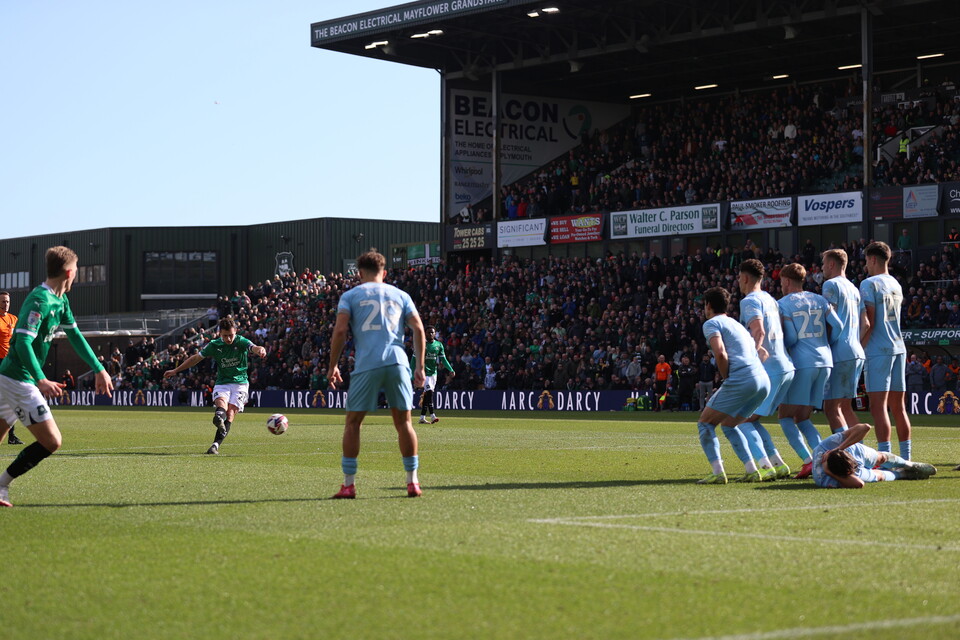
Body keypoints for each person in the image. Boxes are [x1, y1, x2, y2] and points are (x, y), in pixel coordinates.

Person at [0, 246, 114, 507]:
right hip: (19, 378)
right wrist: (40, 378)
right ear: (69, 272)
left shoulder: (60, 300)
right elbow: (22, 343)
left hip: (10, 376)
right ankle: (2, 484)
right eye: (76, 272)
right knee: (52, 441)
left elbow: (74, 335)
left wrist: (99, 368)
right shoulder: (40, 300)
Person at [328, 250, 426, 499]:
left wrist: (332, 366)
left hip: (367, 364)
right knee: (404, 423)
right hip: (397, 362)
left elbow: (340, 331)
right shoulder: (400, 294)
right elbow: (419, 328)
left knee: (353, 423)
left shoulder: (350, 295)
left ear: (360, 273)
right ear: (384, 272)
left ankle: (349, 485)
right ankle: (412, 482)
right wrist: (420, 367)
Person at [695, 287, 772, 484]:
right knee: (729, 424)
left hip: (742, 378)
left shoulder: (712, 323)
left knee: (705, 423)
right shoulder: (737, 325)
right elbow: (761, 353)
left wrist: (726, 376)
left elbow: (720, 353)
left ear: (708, 305)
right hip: (763, 381)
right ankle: (752, 470)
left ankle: (718, 472)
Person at [163, 317, 267, 454]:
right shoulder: (214, 345)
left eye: (231, 335)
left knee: (230, 414)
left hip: (240, 384)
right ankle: (218, 417)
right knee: (222, 405)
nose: (229, 339)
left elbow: (253, 347)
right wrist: (176, 370)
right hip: (223, 382)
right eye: (225, 336)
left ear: (235, 331)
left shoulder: (241, 341)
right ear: (220, 334)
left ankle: (215, 445)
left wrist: (261, 349)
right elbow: (195, 359)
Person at [778, 263, 842, 478]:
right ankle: (822, 457)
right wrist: (825, 344)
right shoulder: (820, 299)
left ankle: (808, 460)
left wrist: (783, 349)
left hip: (803, 363)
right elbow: (839, 326)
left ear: (786, 281)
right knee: (803, 418)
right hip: (825, 361)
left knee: (785, 416)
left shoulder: (783, 304)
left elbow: (792, 338)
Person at [736, 259, 794, 480]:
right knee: (752, 419)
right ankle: (778, 464)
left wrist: (754, 355)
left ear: (746, 278)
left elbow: (758, 331)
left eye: (740, 278)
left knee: (739, 418)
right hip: (786, 366)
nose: (739, 282)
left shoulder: (749, 300)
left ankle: (765, 466)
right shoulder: (770, 299)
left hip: (769, 368)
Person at [859, 241, 911, 459]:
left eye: (866, 261)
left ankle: (885, 457)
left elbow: (869, 322)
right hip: (899, 346)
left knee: (878, 406)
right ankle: (906, 457)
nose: (865, 266)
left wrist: (859, 347)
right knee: (898, 407)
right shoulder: (895, 283)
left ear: (872, 259)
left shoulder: (869, 283)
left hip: (878, 349)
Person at [820, 249, 866, 435]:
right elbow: (866, 323)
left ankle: (847, 454)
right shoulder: (854, 288)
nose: (822, 267)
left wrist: (827, 344)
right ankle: (859, 452)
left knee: (831, 408)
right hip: (856, 351)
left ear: (831, 264)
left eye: (823, 263)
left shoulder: (830, 285)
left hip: (840, 352)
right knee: (846, 408)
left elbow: (831, 322)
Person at [813, 422, 935, 489]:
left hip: (852, 451)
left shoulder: (827, 445)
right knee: (879, 475)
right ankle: (903, 474)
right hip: (842, 466)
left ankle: (908, 464)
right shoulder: (825, 479)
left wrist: (839, 448)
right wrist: (830, 472)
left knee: (880, 457)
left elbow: (865, 427)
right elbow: (859, 484)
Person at [411, 325, 455, 424]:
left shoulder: (439, 345)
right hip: (423, 373)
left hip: (433, 373)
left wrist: (451, 369)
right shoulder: (420, 344)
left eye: (432, 332)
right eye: (429, 332)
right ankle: (432, 416)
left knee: (427, 395)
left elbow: (443, 360)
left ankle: (422, 418)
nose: (430, 334)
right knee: (429, 393)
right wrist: (412, 375)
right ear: (425, 334)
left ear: (435, 334)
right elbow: (413, 360)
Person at [0, 291, 24, 445]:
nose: (5, 304)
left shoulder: (14, 319)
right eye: (2, 301)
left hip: (11, 363)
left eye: (7, 301)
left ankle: (12, 436)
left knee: (11, 399)